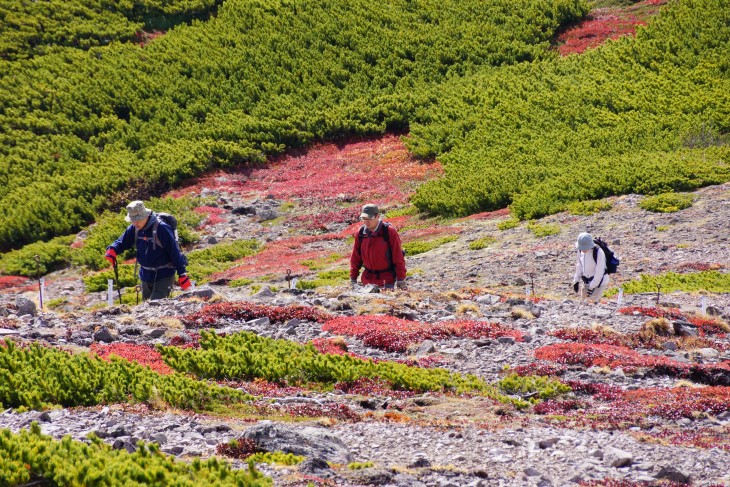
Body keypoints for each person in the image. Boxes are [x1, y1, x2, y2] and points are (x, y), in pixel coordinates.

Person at [105, 201, 190, 301]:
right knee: (146, 306)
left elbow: (174, 252)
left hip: (164, 274)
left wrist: (182, 274)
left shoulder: (161, 228)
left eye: (138, 220)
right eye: (133, 220)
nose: (135, 223)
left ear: (146, 216)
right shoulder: (135, 228)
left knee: (156, 307)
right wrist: (112, 249)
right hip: (145, 275)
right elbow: (123, 241)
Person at [350, 204, 407, 290]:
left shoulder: (389, 231)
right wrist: (353, 279)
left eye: (370, 218)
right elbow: (355, 258)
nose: (366, 222)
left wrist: (401, 280)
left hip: (387, 281)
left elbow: (398, 256)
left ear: (377, 216)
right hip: (367, 281)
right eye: (364, 219)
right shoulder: (361, 233)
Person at [572, 232, 610, 302]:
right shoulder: (580, 251)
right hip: (587, 282)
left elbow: (599, 272)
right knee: (583, 304)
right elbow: (579, 265)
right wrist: (576, 281)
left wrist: (591, 287)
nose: (583, 249)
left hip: (599, 283)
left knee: (591, 303)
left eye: (585, 247)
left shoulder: (598, 252)